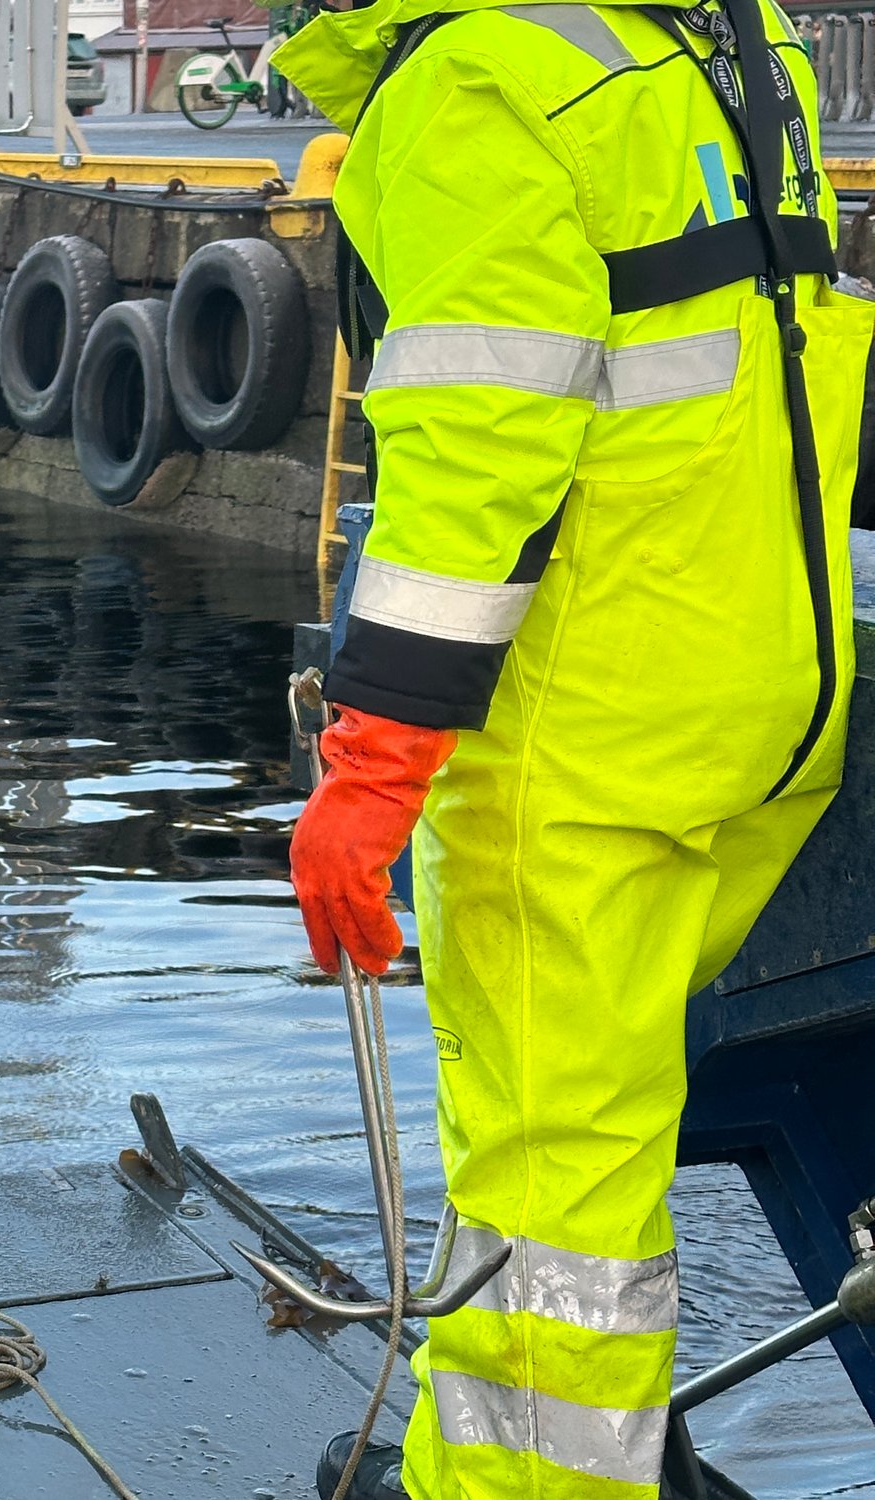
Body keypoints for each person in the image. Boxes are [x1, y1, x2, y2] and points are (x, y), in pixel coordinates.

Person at [275, 0, 871, 1496]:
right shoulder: (731, 41)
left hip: (584, 745)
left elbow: (483, 451)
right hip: (759, 710)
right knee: (604, 1146)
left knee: (551, 1218)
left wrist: (373, 768)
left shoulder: (479, 83)